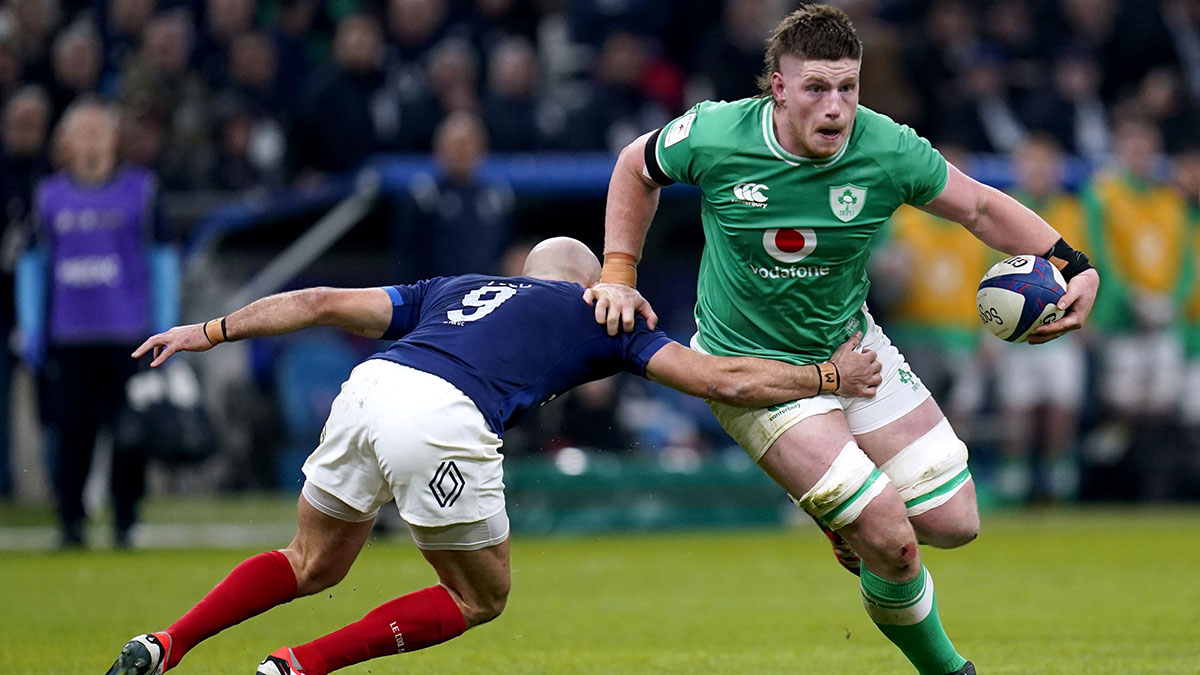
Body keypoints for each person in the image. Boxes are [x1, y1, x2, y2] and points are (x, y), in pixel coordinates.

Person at [588, 6, 1100, 674]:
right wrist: (619, 272)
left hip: (851, 348)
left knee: (955, 521)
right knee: (890, 536)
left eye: (848, 88)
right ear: (777, 87)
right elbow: (635, 165)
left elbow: (978, 206)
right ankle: (949, 667)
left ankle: (846, 511)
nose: (836, 107)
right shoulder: (716, 132)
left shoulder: (885, 148)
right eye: (816, 89)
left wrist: (1074, 263)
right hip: (751, 368)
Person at [105, 236, 882, 675]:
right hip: (441, 413)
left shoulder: (455, 287)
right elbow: (719, 381)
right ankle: (296, 667)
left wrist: (203, 331)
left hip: (370, 385)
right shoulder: (601, 312)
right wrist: (828, 378)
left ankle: (163, 642)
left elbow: (317, 302)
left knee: (312, 560)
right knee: (481, 596)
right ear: (593, 283)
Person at [19, 97, 178, 548]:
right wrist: (33, 326)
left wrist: (165, 323)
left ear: (112, 138)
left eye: (97, 131)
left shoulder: (142, 191)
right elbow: (35, 263)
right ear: (65, 142)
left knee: (131, 432)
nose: (89, 141)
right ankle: (71, 521)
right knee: (71, 434)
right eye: (80, 132)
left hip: (128, 334)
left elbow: (162, 259)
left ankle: (126, 519)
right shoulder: (47, 195)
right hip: (70, 335)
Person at [993, 134, 1091, 504]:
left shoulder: (1073, 210)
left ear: (1057, 168)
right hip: (1014, 327)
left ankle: (1058, 485)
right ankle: (1013, 484)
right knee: (1016, 411)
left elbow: (1092, 263)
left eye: (1044, 163)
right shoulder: (1005, 209)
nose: (1037, 171)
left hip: (1062, 323)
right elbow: (986, 269)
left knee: (1061, 410)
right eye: (1029, 162)